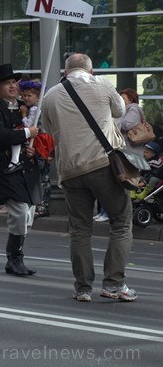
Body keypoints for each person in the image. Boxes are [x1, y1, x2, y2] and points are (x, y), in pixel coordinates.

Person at [44, 53, 137, 302]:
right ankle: (114, 284)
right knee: (120, 222)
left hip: (70, 171)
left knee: (80, 229)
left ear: (65, 73)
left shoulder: (50, 95)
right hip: (103, 166)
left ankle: (83, 288)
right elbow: (119, 109)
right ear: (91, 71)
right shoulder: (102, 85)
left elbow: (48, 128)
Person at [0, 64, 41, 277]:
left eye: (14, 82)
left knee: (29, 215)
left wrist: (36, 148)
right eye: (7, 83)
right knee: (19, 213)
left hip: (28, 165)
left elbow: (38, 134)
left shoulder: (26, 106)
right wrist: (27, 132)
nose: (13, 86)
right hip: (8, 166)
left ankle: (16, 256)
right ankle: (14, 258)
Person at [20, 80, 51, 218]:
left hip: (39, 142)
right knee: (43, 176)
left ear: (37, 97)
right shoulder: (42, 107)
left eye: (29, 96)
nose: (26, 98)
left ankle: (42, 205)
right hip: (43, 141)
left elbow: (29, 126)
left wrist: (23, 115)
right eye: (24, 96)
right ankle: (41, 204)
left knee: (42, 176)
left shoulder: (34, 110)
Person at [116, 88, 146, 159]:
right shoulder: (128, 110)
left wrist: (116, 118)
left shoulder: (133, 110)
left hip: (131, 149)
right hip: (131, 149)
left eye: (123, 98)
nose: (121, 100)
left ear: (131, 99)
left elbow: (126, 125)